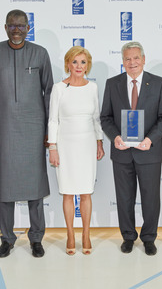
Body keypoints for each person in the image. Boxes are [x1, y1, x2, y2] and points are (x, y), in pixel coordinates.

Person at [0, 9, 53, 259]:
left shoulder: (40, 53)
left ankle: (36, 238)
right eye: (12, 25)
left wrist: (49, 132)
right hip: (2, 131)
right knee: (5, 187)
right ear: (5, 27)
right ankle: (7, 239)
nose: (17, 30)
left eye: (21, 26)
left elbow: (49, 95)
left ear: (28, 27)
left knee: (35, 187)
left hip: (34, 131)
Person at [100, 42, 162, 256]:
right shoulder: (113, 84)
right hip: (122, 152)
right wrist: (115, 136)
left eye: (135, 58)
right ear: (122, 61)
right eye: (127, 59)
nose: (131, 63)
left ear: (143, 59)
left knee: (150, 198)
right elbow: (105, 117)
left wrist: (150, 139)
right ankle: (128, 237)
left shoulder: (158, 83)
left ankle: (149, 238)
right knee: (124, 198)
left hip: (149, 151)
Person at [48, 46, 104, 255]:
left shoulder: (93, 88)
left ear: (87, 65)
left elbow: (96, 118)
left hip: (87, 145)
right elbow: (53, 120)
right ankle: (71, 234)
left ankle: (86, 234)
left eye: (83, 62)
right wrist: (53, 148)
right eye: (75, 62)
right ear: (68, 64)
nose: (79, 66)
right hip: (65, 145)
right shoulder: (59, 88)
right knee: (68, 193)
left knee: (86, 193)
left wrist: (99, 141)